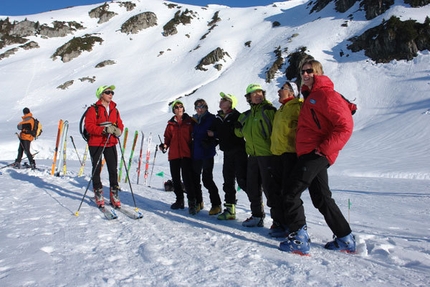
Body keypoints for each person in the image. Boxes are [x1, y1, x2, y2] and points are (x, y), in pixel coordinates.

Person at [279, 59, 356, 255]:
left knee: (290, 192)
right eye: (303, 71)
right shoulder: (312, 96)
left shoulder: (325, 94)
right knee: (321, 197)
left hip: (315, 153)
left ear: (319, 72)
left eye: (309, 71)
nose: (305, 74)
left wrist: (323, 149)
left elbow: (345, 126)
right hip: (311, 153)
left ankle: (298, 239)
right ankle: (345, 238)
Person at [235, 84, 276, 227]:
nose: (257, 95)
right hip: (252, 155)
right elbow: (239, 132)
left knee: (271, 189)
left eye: (259, 92)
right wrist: (238, 130)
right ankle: (257, 216)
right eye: (254, 93)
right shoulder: (247, 115)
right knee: (253, 187)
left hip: (267, 155)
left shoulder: (269, 110)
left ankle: (278, 220)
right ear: (249, 98)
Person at [268, 81, 302, 237]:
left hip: (290, 154)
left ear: (291, 92)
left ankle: (292, 226)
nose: (279, 91)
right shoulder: (280, 109)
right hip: (276, 155)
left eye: (282, 89)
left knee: (287, 192)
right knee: (275, 191)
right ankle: (280, 223)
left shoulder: (297, 107)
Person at [207, 92, 247, 220]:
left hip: (239, 151)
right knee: (228, 181)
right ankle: (230, 210)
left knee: (243, 181)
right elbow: (218, 132)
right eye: (221, 99)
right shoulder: (219, 117)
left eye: (224, 99)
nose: (221, 101)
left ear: (230, 103)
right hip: (227, 152)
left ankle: (258, 210)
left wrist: (216, 134)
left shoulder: (237, 116)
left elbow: (237, 133)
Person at [85, 85, 124, 208]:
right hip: (96, 142)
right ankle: (98, 192)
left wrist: (119, 131)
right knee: (96, 168)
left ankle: (114, 194)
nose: (111, 94)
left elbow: (120, 124)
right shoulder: (93, 109)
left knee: (113, 169)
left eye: (112, 92)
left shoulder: (114, 109)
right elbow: (89, 126)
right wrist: (104, 130)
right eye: (108, 92)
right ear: (101, 94)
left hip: (110, 142)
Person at [160, 100, 198, 214]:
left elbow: (195, 135)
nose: (179, 108)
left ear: (183, 108)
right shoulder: (170, 124)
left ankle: (192, 202)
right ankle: (179, 200)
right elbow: (168, 139)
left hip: (186, 154)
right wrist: (164, 145)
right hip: (174, 155)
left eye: (181, 106)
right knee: (176, 179)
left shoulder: (190, 121)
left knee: (187, 179)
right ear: (173, 110)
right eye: (176, 107)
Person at [191, 99, 221, 215]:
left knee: (207, 180)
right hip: (196, 153)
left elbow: (220, 133)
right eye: (197, 107)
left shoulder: (212, 119)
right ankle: (199, 202)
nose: (200, 109)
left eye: (202, 106)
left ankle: (216, 204)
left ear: (206, 107)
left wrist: (212, 137)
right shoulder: (194, 120)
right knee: (195, 179)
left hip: (207, 153)